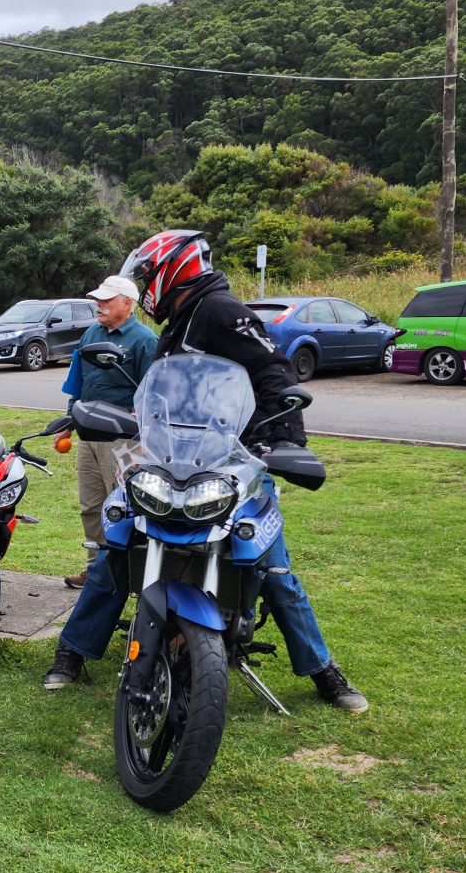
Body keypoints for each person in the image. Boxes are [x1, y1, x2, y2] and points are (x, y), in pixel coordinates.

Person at [42, 230, 368, 714]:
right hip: (176, 458)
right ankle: (73, 650)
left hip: (236, 462)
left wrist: (284, 440)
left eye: (149, 275)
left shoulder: (220, 310)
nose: (146, 285)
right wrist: (137, 423)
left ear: (175, 270)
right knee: (118, 543)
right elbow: (161, 392)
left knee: (271, 566)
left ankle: (323, 670)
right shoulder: (180, 319)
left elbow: (272, 370)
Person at [54, 275, 156, 588]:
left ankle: (126, 574)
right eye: (98, 299)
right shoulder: (90, 335)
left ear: (128, 303)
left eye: (107, 300)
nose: (99, 304)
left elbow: (152, 395)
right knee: (91, 506)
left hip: (125, 440)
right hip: (87, 437)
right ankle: (96, 572)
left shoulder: (145, 341)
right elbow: (79, 386)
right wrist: (68, 423)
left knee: (125, 508)